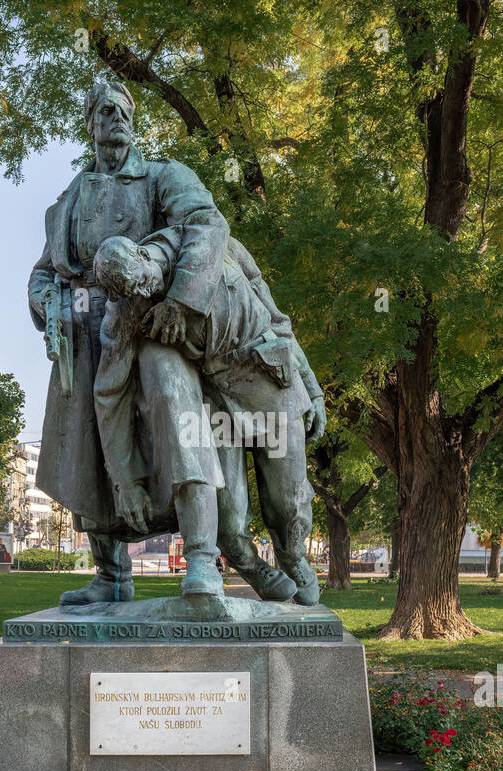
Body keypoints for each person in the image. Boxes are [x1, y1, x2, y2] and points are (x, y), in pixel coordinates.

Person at [28, 80, 229, 605]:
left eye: (122, 109)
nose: (114, 117)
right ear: (90, 123)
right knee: (86, 451)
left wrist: (182, 301)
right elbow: (45, 273)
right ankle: (111, 574)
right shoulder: (69, 199)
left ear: (133, 121)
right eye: (103, 110)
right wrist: (48, 305)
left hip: (151, 320)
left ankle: (203, 558)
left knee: (175, 415)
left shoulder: (163, 176)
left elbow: (207, 224)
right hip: (84, 334)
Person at [93, 232, 325, 602]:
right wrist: (123, 478)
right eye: (131, 294)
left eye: (141, 282)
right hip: (216, 397)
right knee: (229, 518)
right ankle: (253, 568)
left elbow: (278, 319)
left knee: (288, 502)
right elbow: (109, 394)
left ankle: (293, 556)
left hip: (269, 381)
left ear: (142, 253)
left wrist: (311, 387)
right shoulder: (124, 311)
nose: (143, 296)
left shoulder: (212, 241)